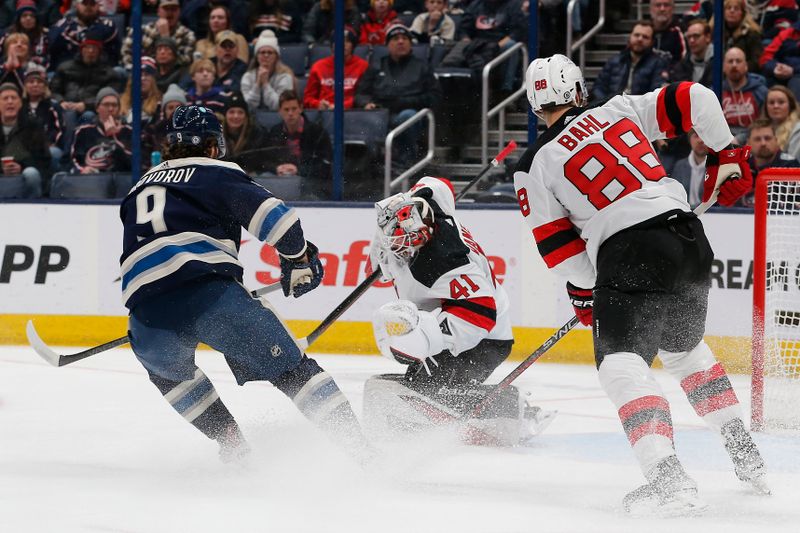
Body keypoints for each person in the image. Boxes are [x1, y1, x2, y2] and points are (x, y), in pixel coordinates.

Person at [514, 54, 768, 514]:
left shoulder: (534, 163)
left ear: (535, 106)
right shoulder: (617, 109)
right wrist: (727, 151)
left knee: (619, 368)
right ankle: (744, 452)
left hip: (631, 253)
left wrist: (590, 291)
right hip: (688, 239)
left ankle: (669, 480)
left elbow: (559, 253)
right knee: (684, 351)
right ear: (577, 92)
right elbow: (696, 96)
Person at [118, 105, 367, 462]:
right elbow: (281, 223)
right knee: (294, 371)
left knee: (170, 376)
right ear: (211, 145)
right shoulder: (214, 173)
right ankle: (362, 453)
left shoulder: (137, 189)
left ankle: (235, 451)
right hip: (209, 297)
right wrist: (296, 258)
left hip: (144, 317)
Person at [364, 176, 554, 445]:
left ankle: (512, 410)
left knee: (429, 393)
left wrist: (428, 337)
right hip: (461, 315)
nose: (401, 249)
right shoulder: (430, 203)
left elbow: (481, 313)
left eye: (406, 242)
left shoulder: (443, 261)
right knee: (422, 389)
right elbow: (435, 183)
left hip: (485, 339)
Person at [355, 24, 442, 164]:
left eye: (404, 38)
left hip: (412, 115)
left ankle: (406, 161)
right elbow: (361, 93)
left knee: (407, 116)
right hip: (381, 114)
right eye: (395, 38)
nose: (400, 41)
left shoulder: (422, 67)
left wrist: (405, 101)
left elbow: (434, 96)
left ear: (410, 43)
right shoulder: (377, 66)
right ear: (388, 45)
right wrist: (366, 103)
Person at [264, 90, 332, 197]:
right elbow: (264, 160)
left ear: (301, 108)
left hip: (310, 183)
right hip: (280, 182)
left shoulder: (317, 132)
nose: (290, 113)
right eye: (286, 109)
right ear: (280, 111)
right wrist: (276, 168)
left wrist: (299, 170)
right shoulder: (275, 132)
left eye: (294, 109)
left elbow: (325, 165)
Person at [591, 21, 670, 102]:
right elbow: (598, 87)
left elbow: (656, 93)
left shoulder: (659, 63)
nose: (640, 39)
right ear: (630, 37)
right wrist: (606, 104)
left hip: (639, 111)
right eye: (637, 35)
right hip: (611, 108)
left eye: (645, 37)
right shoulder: (615, 61)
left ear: (652, 42)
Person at [737, 118, 800, 208]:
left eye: (767, 138)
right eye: (757, 139)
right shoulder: (740, 167)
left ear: (776, 140)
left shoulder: (791, 165)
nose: (763, 143)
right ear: (748, 143)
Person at [0, 81, 48, 197]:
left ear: (20, 103)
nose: (10, 102)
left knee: (31, 173)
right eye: (5, 98)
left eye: (14, 98)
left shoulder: (33, 126)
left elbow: (44, 161)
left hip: (24, 176)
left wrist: (21, 167)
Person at [70, 86, 132, 174]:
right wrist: (82, 169)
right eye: (106, 105)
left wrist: (114, 138)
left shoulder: (129, 131)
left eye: (114, 105)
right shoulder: (83, 132)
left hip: (120, 180)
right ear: (97, 108)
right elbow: (72, 159)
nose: (111, 109)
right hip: (91, 181)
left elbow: (134, 164)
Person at [303, 26, 368, 110]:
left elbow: (364, 97)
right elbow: (307, 98)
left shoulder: (363, 66)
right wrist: (318, 104)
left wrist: (344, 106)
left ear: (353, 45)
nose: (342, 44)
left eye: (347, 41)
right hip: (324, 114)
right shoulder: (318, 66)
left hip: (351, 113)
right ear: (332, 45)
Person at [122, 0, 196, 70]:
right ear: (158, 11)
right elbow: (126, 51)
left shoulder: (187, 35)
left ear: (179, 12)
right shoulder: (143, 30)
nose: (170, 13)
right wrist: (133, 69)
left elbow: (186, 61)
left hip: (173, 76)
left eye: (173, 9)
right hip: (143, 73)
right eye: (166, 9)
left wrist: (166, 38)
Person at [48, 0, 120, 69]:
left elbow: (114, 55)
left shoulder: (108, 27)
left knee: (119, 71)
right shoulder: (61, 26)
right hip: (69, 73)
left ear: (98, 6)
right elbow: (53, 52)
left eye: (92, 4)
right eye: (85, 3)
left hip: (100, 72)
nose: (88, 7)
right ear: (77, 5)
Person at [22, 64, 63, 172]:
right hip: (25, 147)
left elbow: (59, 129)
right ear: (25, 86)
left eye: (39, 82)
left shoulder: (53, 106)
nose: (35, 85)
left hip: (48, 146)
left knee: (54, 153)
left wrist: (48, 143)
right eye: (31, 82)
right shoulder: (20, 106)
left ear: (45, 86)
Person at [722, 46, 767, 144]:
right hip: (724, 142)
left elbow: (765, 122)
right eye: (730, 61)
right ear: (723, 67)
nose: (734, 65)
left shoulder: (760, 91)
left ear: (746, 66)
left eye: (738, 61)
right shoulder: (716, 92)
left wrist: (741, 138)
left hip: (754, 140)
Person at [240, 30, 294, 111]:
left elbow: (278, 106)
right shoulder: (248, 76)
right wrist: (257, 84)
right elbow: (248, 106)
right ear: (257, 56)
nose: (266, 55)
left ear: (276, 56)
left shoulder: (285, 77)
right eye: (262, 52)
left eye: (270, 52)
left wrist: (265, 84)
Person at [222, 90, 267, 174]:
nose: (236, 116)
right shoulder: (217, 134)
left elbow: (254, 162)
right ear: (225, 115)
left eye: (240, 112)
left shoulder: (256, 133)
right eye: (231, 112)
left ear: (246, 116)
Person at [712, 0, 762, 74]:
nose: (732, 11)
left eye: (736, 8)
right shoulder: (715, 32)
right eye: (729, 8)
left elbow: (755, 61)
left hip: (744, 75)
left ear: (742, 13)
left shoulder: (752, 34)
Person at [0, 0, 49, 69]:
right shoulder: (7, 35)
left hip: (36, 71)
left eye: (32, 16)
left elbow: (48, 59)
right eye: (24, 15)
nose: (28, 19)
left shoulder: (44, 36)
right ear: (18, 19)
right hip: (7, 67)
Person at [670, 129, 707, 210]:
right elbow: (674, 196)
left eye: (704, 136)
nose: (700, 140)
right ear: (690, 140)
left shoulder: (718, 167)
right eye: (696, 136)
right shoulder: (679, 166)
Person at [669, 19, 712, 85]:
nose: (691, 40)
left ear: (708, 37)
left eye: (696, 36)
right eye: (689, 37)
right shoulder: (682, 66)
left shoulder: (720, 63)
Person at [761, 85, 800, 159]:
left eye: (781, 102)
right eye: (771, 103)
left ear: (790, 106)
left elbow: (794, 163)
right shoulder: (759, 129)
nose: (776, 106)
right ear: (766, 107)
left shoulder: (798, 130)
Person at [649, 0, 685, 65]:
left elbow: (684, 63)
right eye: (658, 5)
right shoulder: (644, 31)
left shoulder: (680, 31)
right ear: (651, 9)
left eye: (666, 5)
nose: (662, 9)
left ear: (673, 9)